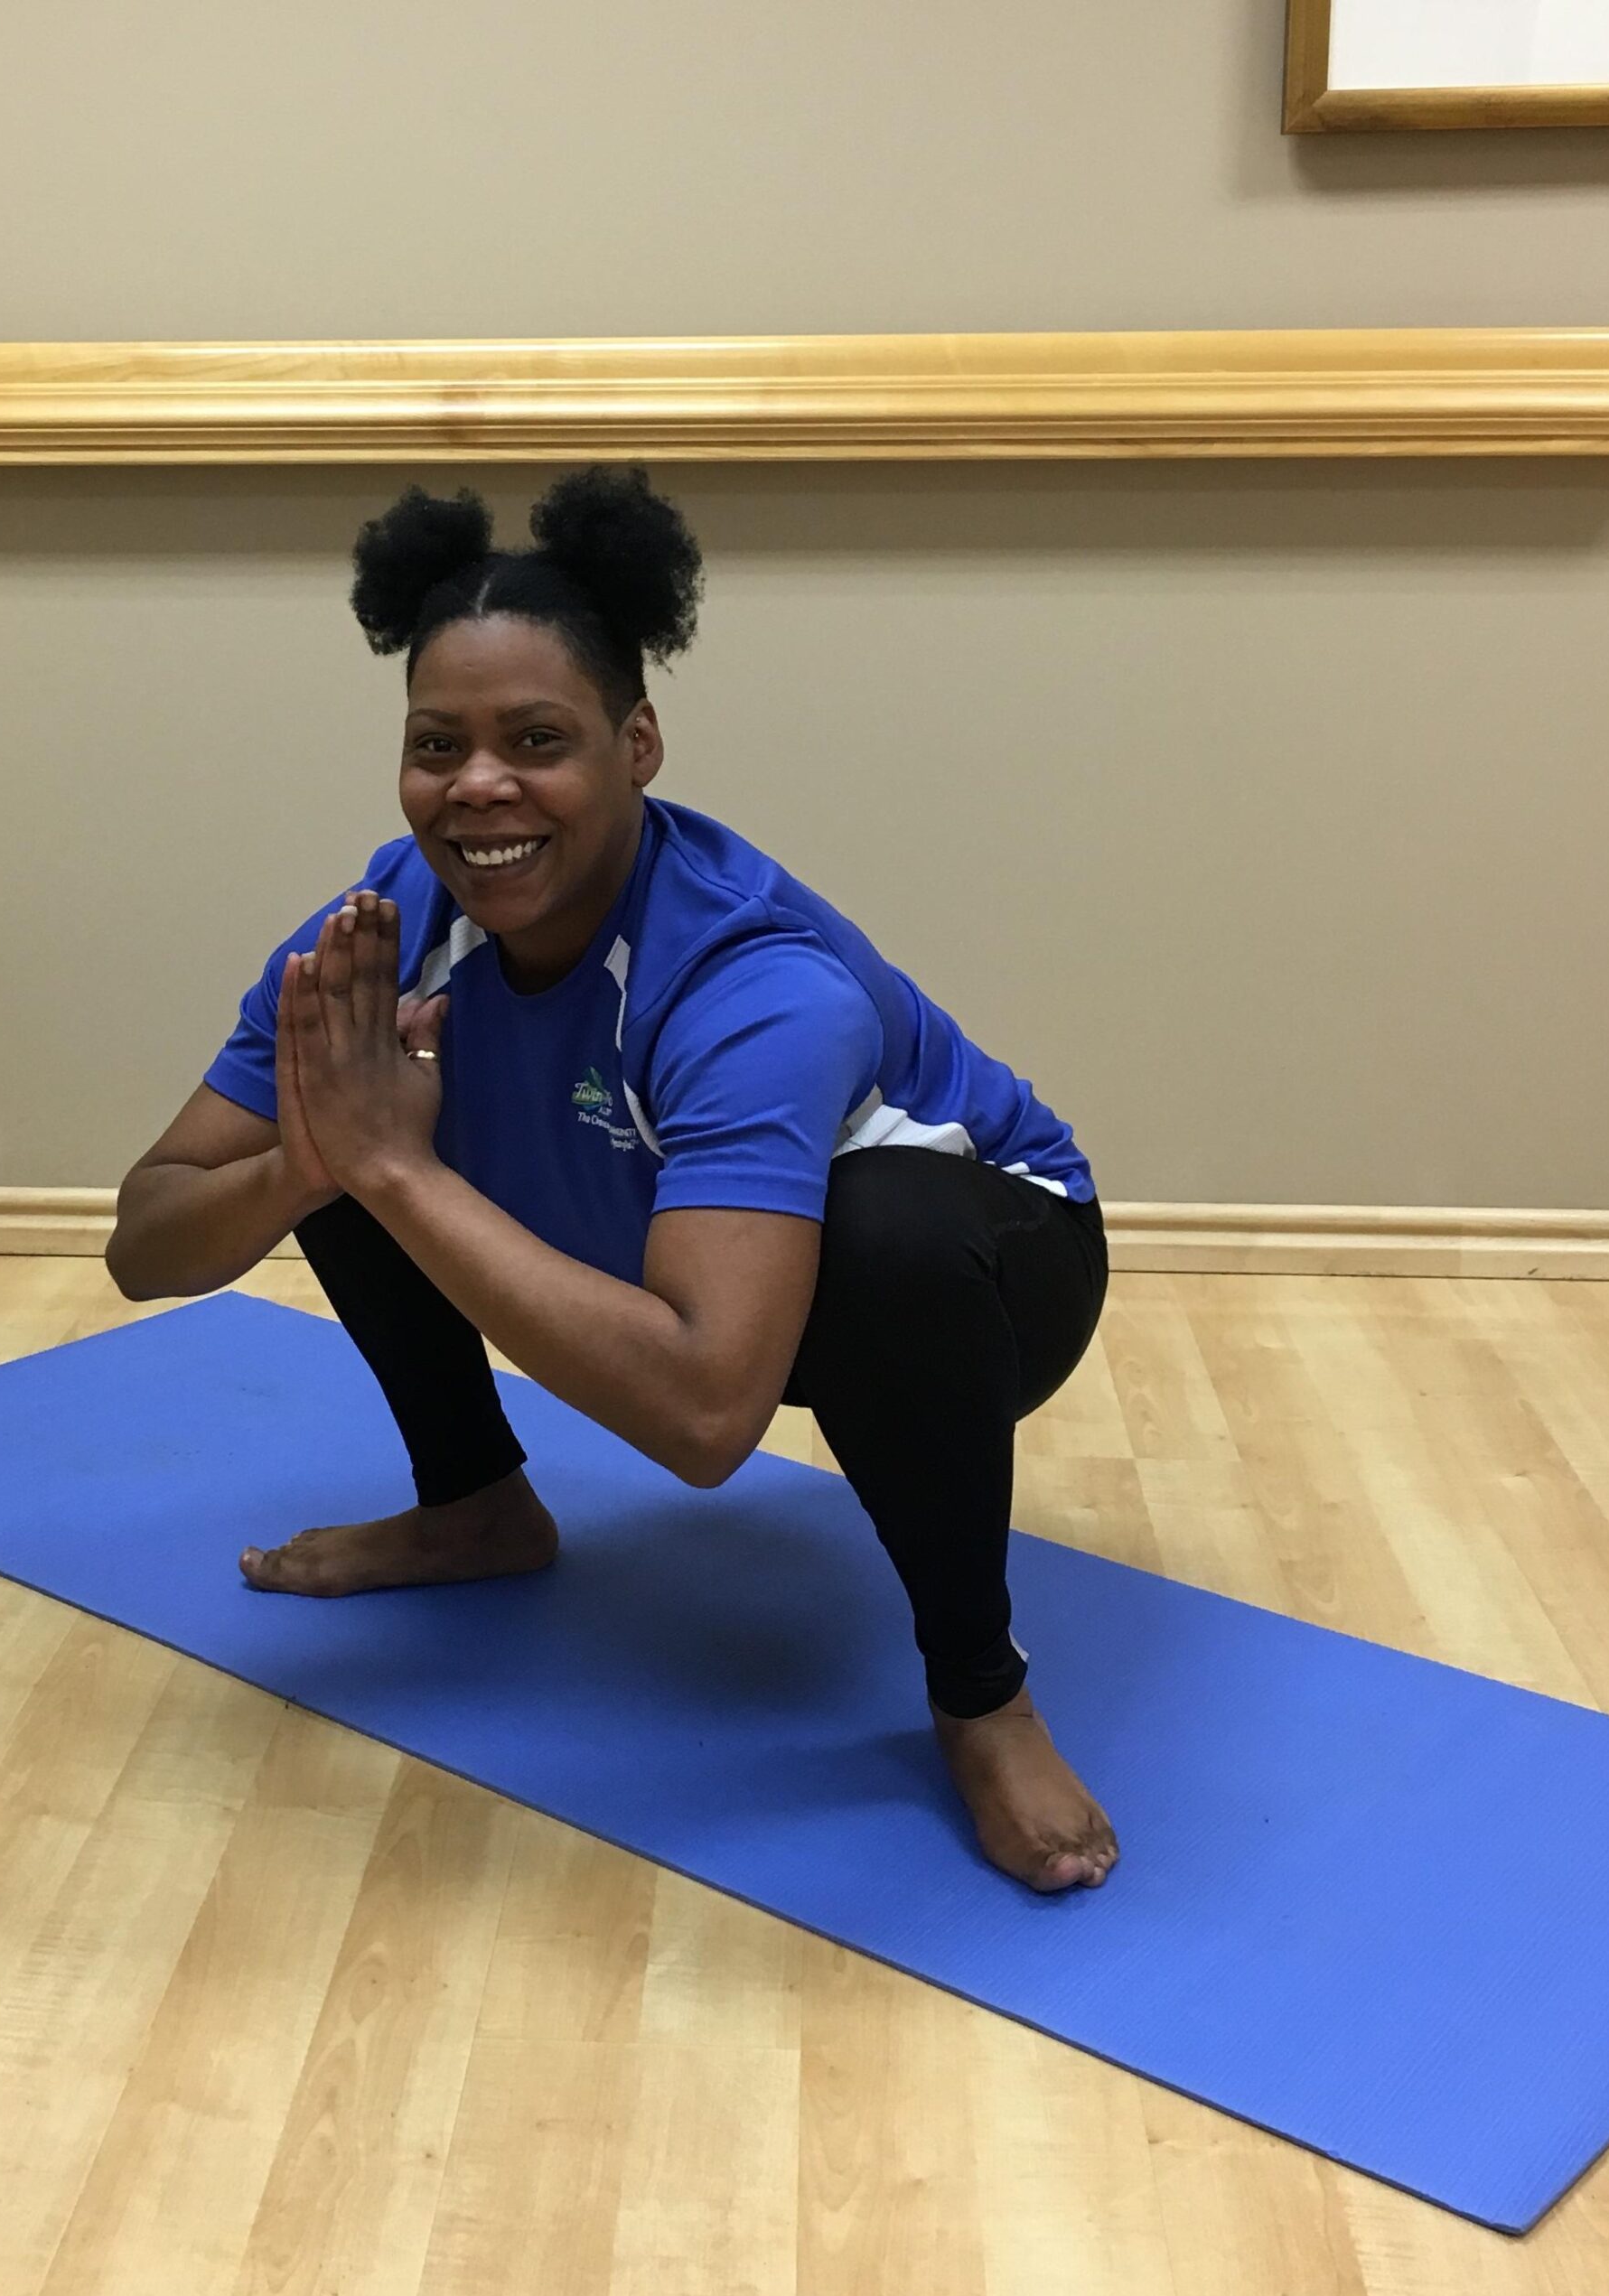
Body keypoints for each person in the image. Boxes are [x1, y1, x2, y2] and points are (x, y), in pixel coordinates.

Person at [107, 468, 1117, 1893]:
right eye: (435, 745)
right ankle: (474, 1506)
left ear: (636, 744)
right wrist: (319, 1160)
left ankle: (979, 1692)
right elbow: (147, 1238)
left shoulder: (754, 981)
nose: (479, 788)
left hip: (989, 1272)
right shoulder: (386, 933)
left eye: (538, 740)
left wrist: (390, 1163)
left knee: (884, 1236)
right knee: (334, 1134)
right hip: (683, 1250)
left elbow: (709, 1421)